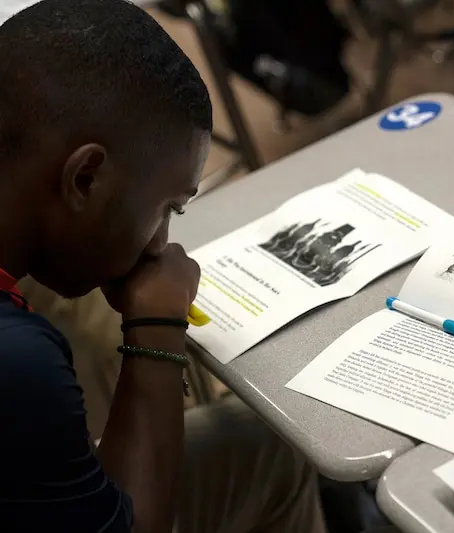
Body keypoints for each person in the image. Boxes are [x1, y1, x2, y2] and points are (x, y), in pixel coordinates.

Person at [0, 1, 331, 532]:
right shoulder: (20, 360)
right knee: (268, 452)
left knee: (263, 451)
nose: (161, 244)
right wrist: (157, 324)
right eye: (168, 208)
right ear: (86, 178)